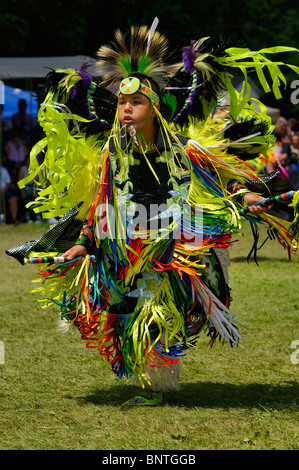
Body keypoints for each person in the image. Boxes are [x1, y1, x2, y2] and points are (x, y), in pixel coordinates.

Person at [6, 21, 299, 406]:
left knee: (160, 309)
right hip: (126, 243)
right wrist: (83, 243)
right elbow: (101, 202)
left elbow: (221, 180)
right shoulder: (113, 151)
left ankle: (156, 386)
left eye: (136, 102)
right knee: (125, 310)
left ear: (155, 106)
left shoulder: (183, 147)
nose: (126, 109)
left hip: (176, 242)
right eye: (123, 102)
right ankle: (151, 380)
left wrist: (248, 198)